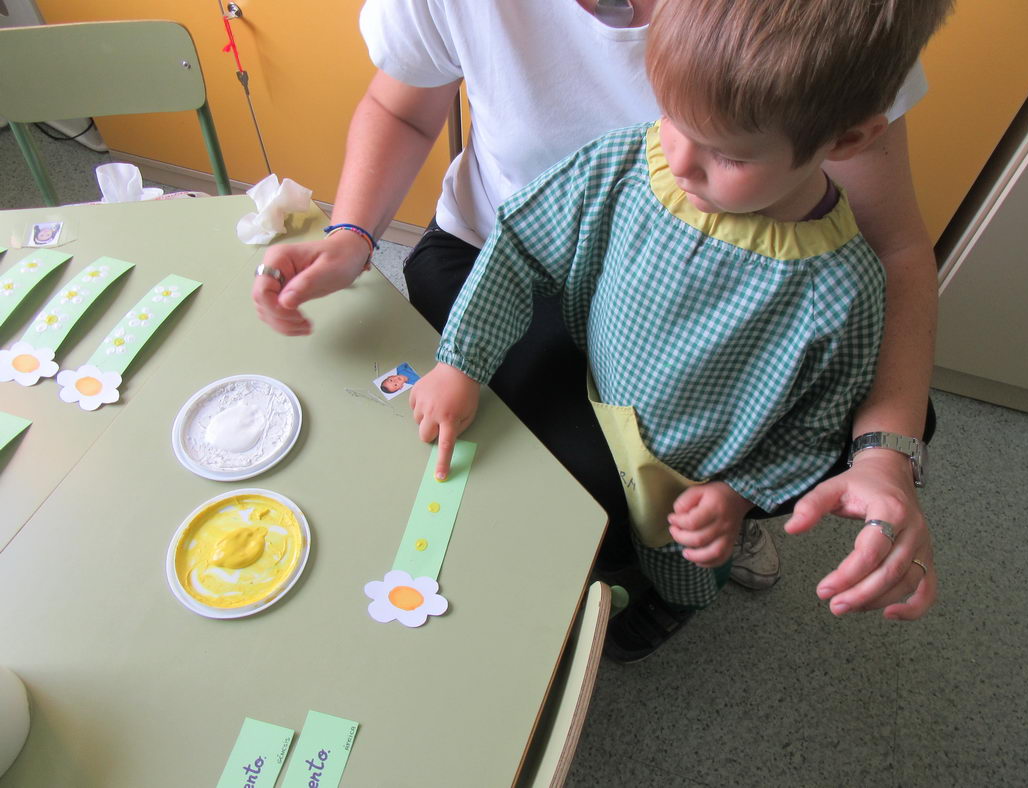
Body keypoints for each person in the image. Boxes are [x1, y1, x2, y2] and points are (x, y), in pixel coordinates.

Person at [252, 0, 941, 628]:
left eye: (726, 154)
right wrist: (364, 252)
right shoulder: (628, 158)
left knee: (683, 544)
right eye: (671, 119)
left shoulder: (840, 284)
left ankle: (677, 593)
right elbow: (516, 240)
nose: (676, 160)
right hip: (573, 300)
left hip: (702, 423)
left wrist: (758, 486)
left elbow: (824, 405)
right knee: (578, 493)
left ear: (844, 139)